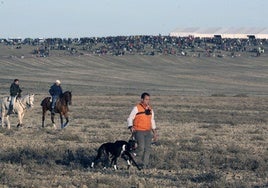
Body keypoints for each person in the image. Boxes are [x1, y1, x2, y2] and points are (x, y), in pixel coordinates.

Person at [127, 92, 158, 169]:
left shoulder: (150, 110)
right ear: (142, 99)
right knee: (141, 148)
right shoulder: (137, 108)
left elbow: (152, 120)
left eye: (149, 99)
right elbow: (130, 118)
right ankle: (129, 155)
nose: (148, 101)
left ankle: (144, 165)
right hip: (138, 131)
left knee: (147, 149)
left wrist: (154, 132)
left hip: (148, 131)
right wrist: (131, 126)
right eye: (146, 99)